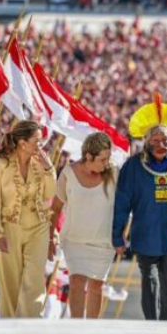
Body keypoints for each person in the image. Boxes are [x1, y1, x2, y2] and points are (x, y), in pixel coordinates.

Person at [112, 96, 167, 321]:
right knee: (149, 282)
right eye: (155, 140)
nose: (160, 145)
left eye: (165, 140)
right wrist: (117, 237)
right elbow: (122, 204)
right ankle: (151, 325)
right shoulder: (133, 166)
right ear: (146, 141)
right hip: (145, 235)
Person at [0, 120, 56, 318]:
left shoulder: (41, 162)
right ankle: (9, 326)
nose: (40, 145)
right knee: (10, 281)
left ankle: (31, 325)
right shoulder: (0, 162)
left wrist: (49, 169)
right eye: (37, 140)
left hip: (38, 227)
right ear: (22, 142)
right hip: (10, 227)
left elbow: (49, 194)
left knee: (35, 280)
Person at [50, 132, 119, 319]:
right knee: (77, 281)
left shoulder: (114, 173)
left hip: (104, 241)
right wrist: (50, 237)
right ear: (89, 156)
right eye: (102, 159)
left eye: (108, 158)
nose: (106, 163)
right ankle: (76, 326)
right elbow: (55, 208)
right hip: (74, 240)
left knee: (97, 285)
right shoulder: (68, 174)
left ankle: (92, 328)